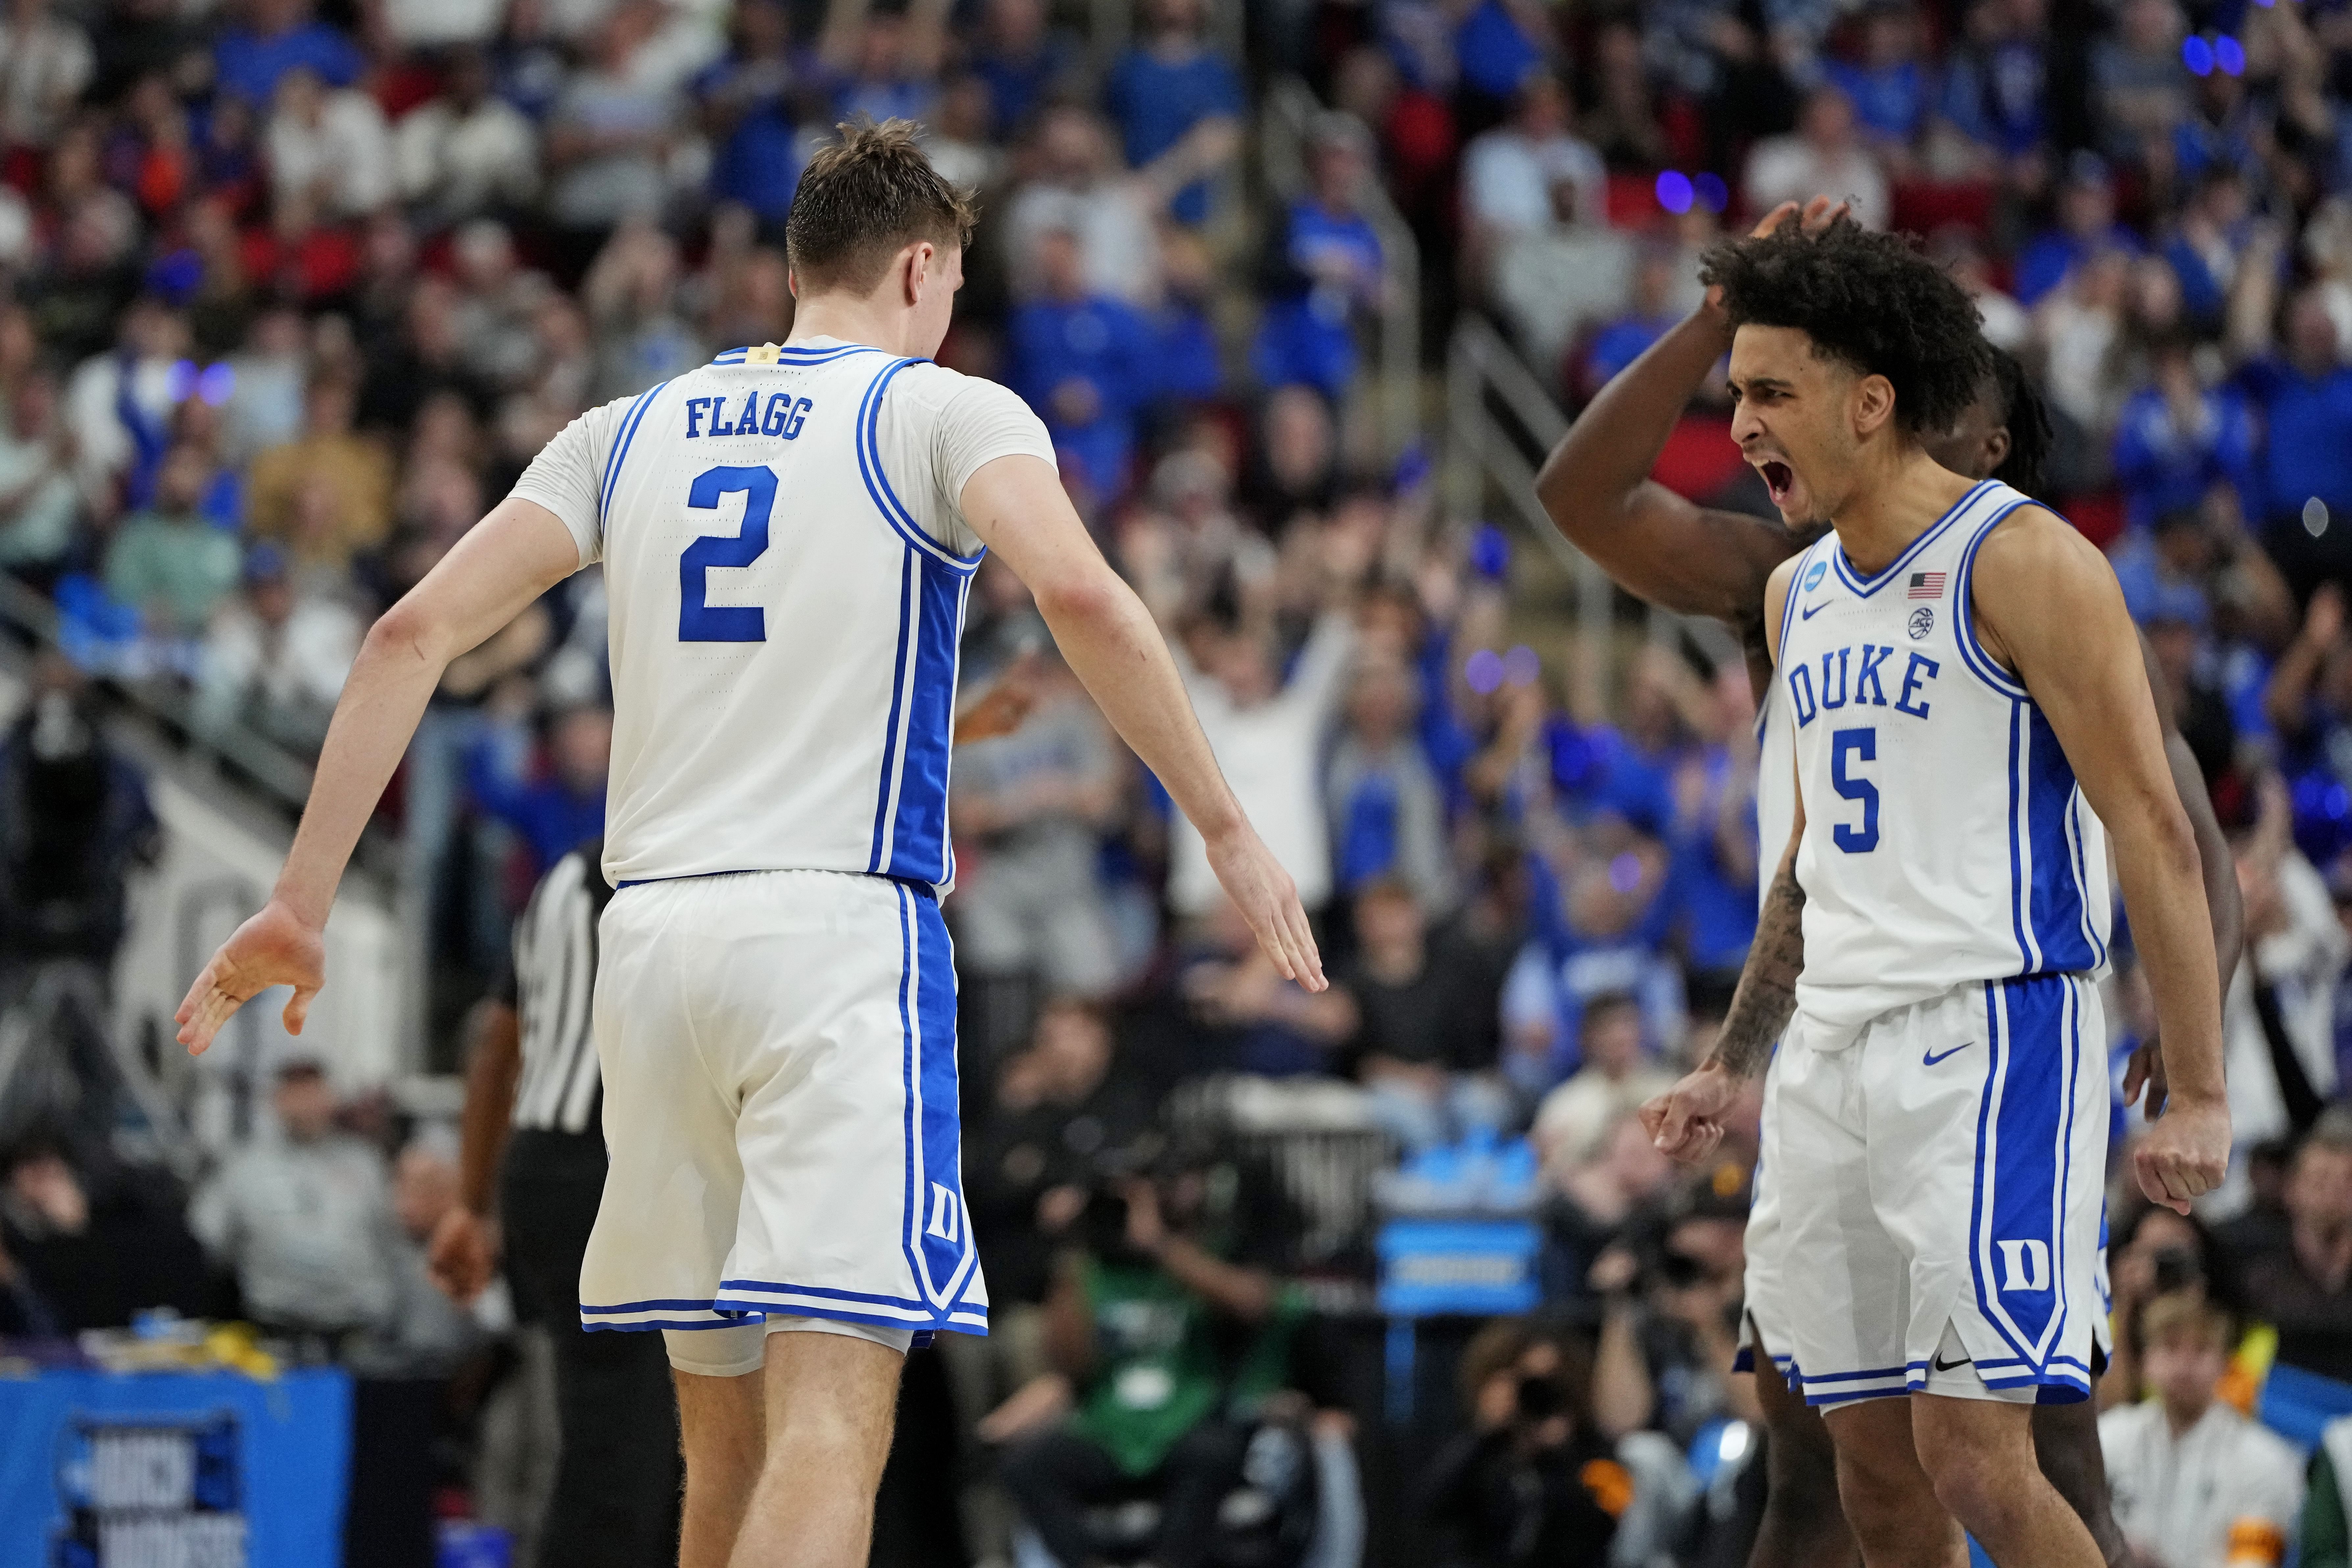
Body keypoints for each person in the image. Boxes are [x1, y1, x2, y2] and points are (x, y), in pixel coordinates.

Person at [176, 119, 1321, 1568]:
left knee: (714, 1453)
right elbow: (1088, 602)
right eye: (954, 287)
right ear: (921, 268)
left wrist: (302, 894)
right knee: (834, 1420)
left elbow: (411, 629)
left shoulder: (626, 428)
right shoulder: (938, 412)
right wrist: (1225, 823)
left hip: (648, 948)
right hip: (834, 942)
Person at [1534, 196, 2244, 1568]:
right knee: (1867, 1481)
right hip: (1830, 1059)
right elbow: (1810, 865)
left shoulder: (2026, 559)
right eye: (1736, 391)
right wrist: (1737, 1060)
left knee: (1985, 1463)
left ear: (1873, 404)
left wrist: (2201, 1082)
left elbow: (2162, 831)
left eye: (1769, 393)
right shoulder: (1798, 592)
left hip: (1988, 1036)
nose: (1740, 427)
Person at [425, 839, 681, 1568]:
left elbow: (495, 1045)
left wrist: (472, 1201)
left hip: (541, 1168)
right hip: (611, 1166)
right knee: (624, 1448)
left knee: (624, 1430)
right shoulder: (662, 865)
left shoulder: (562, 871)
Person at [2099, 1295, 2302, 1568]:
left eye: (2202, 1350)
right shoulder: (2106, 1439)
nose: (2184, 1366)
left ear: (2225, 1364)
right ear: (2146, 1360)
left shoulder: (2264, 1459)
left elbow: (2253, 1563)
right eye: (2170, 1348)